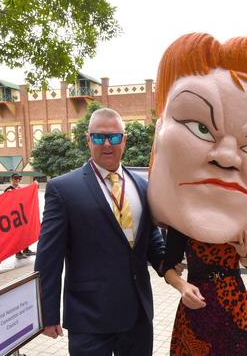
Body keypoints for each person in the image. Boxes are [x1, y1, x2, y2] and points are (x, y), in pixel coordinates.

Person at [148, 33, 247, 356]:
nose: (225, 158)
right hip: (196, 307)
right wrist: (183, 287)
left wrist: (243, 250)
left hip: (235, 304)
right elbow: (168, 265)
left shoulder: (240, 216)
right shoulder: (185, 221)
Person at [34, 108, 166, 355]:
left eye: (114, 137)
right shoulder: (63, 189)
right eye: (98, 137)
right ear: (88, 140)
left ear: (124, 141)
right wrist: (46, 313)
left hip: (137, 316)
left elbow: (151, 243)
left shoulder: (142, 186)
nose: (107, 144)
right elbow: (48, 257)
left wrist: (171, 266)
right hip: (90, 319)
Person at [5, 173, 35, 258]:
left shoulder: (21, 189)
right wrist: (8, 195)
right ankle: (17, 253)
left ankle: (26, 249)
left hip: (21, 215)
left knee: (25, 232)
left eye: (18, 179)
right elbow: (5, 204)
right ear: (11, 179)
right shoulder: (8, 190)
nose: (17, 180)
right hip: (13, 216)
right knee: (16, 235)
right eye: (15, 179)